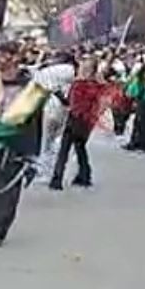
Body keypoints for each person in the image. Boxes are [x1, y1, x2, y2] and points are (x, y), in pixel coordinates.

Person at [0, 45, 50, 247]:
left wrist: (31, 153)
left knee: (8, 187)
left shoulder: (30, 88)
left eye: (4, 55)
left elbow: (35, 122)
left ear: (16, 58)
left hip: (13, 142)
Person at [47, 57, 107, 191]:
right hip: (88, 121)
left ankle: (57, 178)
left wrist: (58, 94)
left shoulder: (78, 84)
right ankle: (85, 174)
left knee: (64, 150)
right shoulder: (99, 86)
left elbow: (71, 102)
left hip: (75, 119)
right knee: (80, 147)